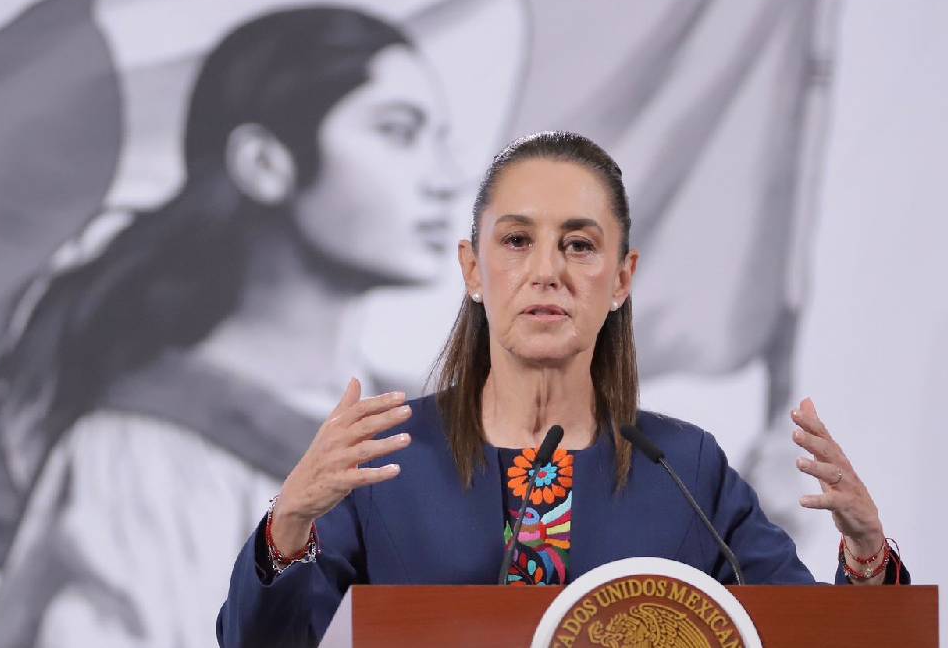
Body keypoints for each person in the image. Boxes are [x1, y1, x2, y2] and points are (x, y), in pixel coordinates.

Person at [216, 131, 909, 647]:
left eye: (579, 245)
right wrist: (290, 525)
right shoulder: (383, 455)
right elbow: (259, 643)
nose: (547, 271)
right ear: (473, 268)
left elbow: (812, 640)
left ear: (622, 279)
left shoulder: (686, 468)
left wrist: (868, 559)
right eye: (517, 241)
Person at [0, 6, 460, 647]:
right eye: (398, 133)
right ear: (265, 163)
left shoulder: (433, 430)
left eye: (440, 138)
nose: (448, 179)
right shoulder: (144, 455)